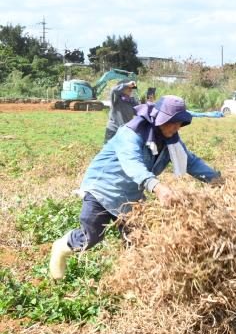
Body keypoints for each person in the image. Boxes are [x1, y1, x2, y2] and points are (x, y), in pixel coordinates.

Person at [49, 95, 221, 280]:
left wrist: (219, 181)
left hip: (131, 197)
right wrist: (157, 187)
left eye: (179, 123)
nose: (175, 127)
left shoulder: (172, 142)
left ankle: (130, 281)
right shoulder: (131, 133)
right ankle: (60, 246)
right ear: (159, 119)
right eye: (171, 122)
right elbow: (133, 164)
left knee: (137, 240)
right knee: (91, 237)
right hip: (103, 190)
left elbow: (191, 162)